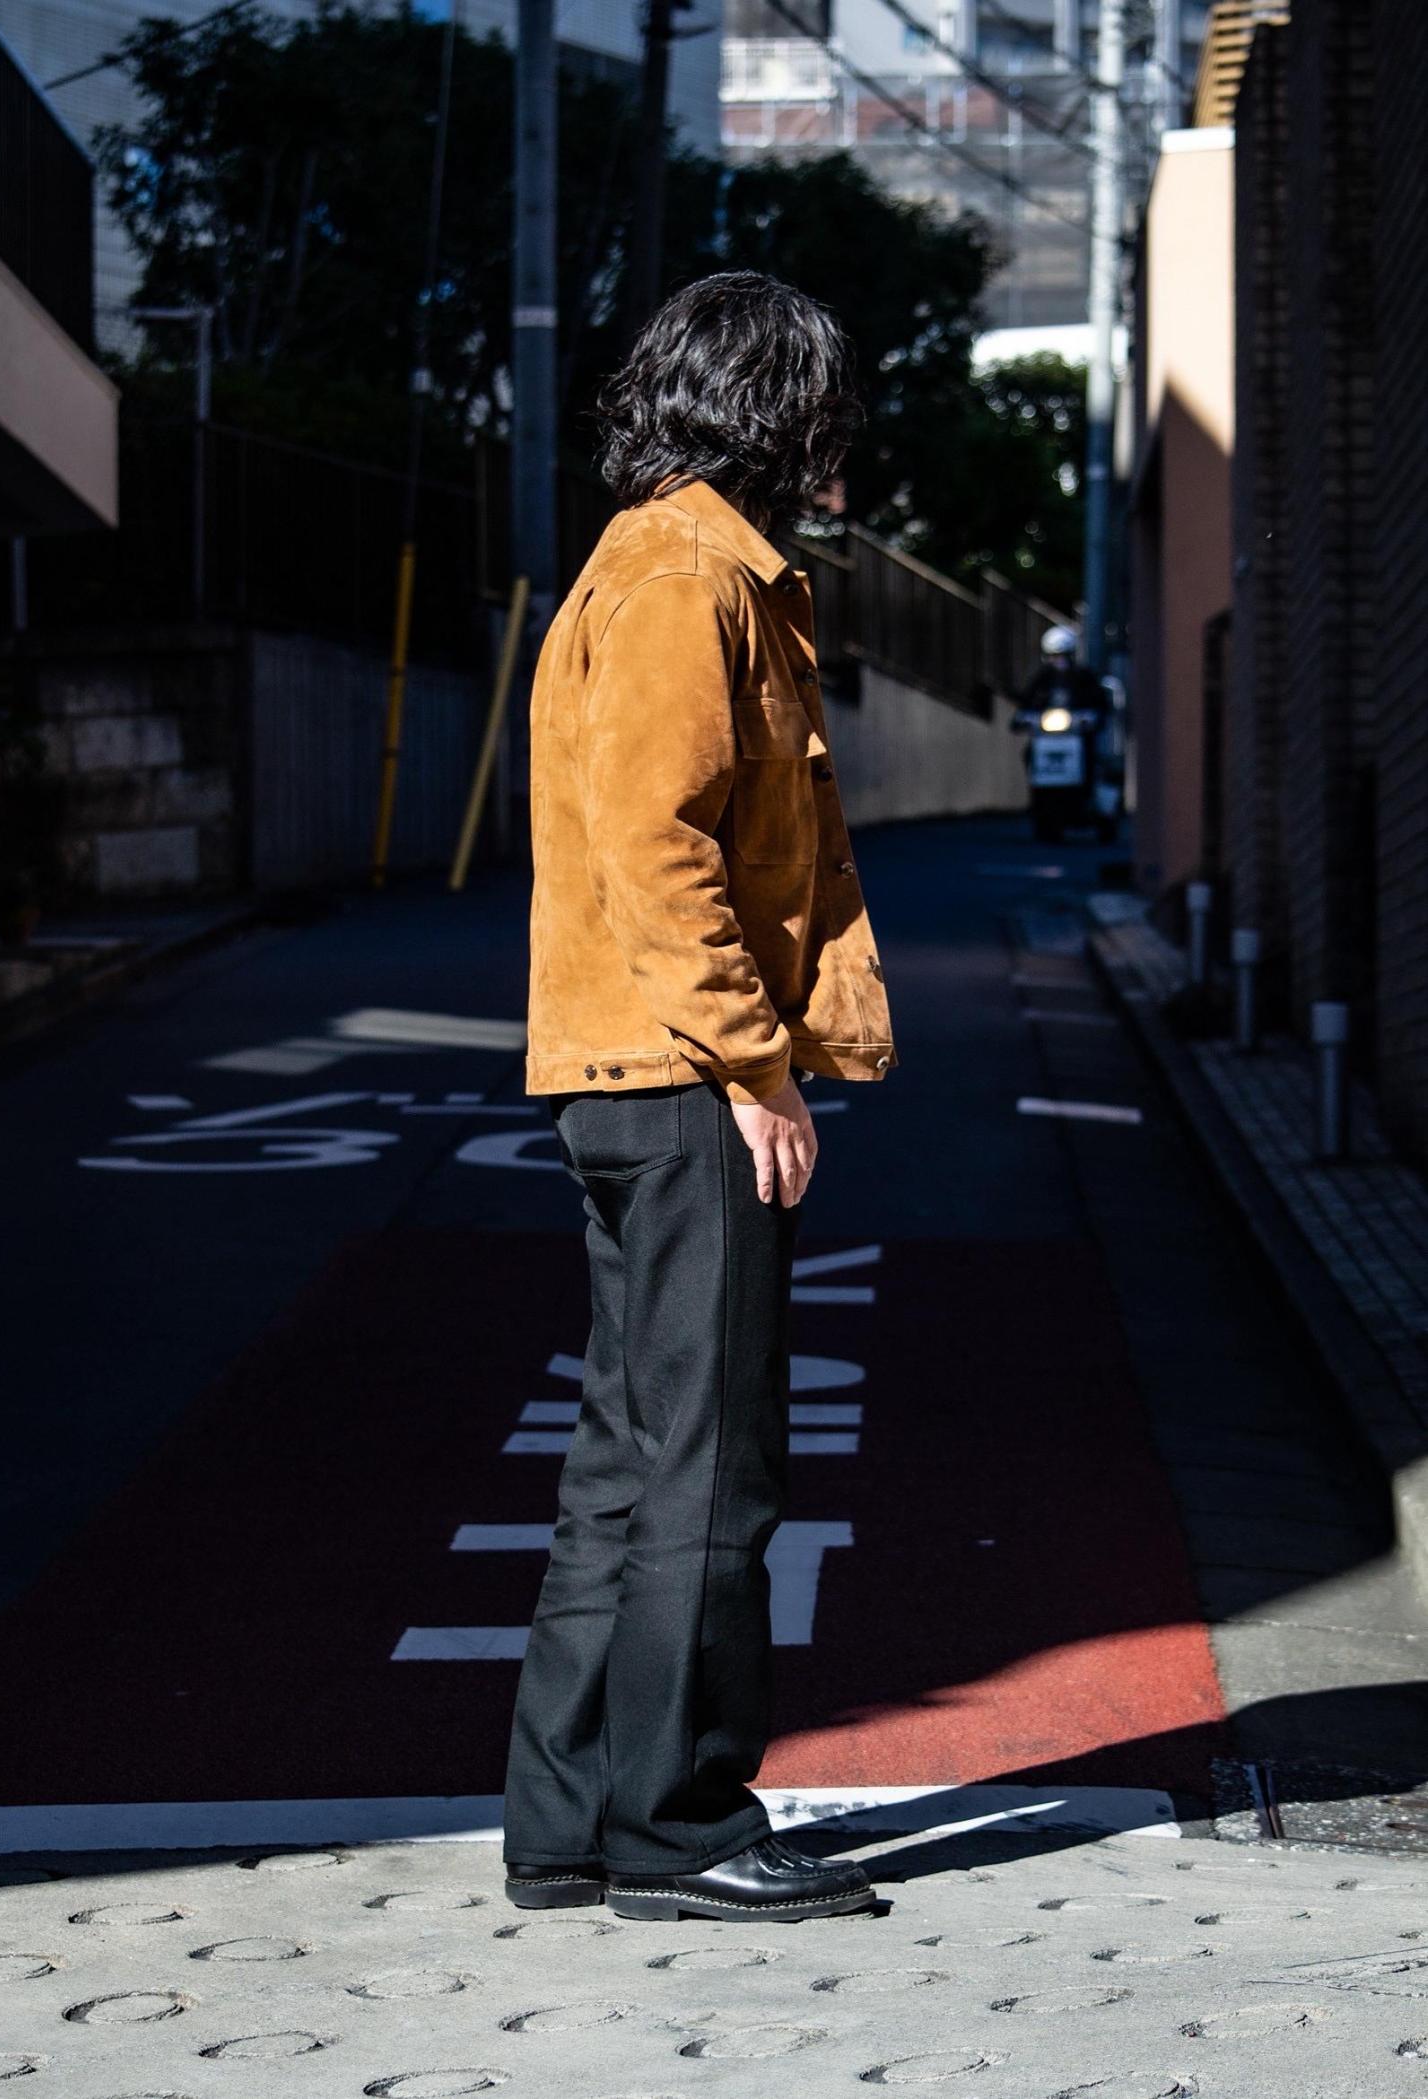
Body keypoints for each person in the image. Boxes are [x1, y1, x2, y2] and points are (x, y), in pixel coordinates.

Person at [502, 271, 896, 1926]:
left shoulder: (651, 561)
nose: (837, 444)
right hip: (684, 1080)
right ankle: (682, 1828)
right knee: (713, 1463)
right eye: (823, 411)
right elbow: (660, 844)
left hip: (628, 1072)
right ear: (774, 412)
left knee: (627, 1455)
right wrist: (757, 1066)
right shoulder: (689, 577)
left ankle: (571, 1824)